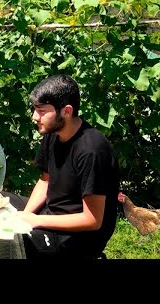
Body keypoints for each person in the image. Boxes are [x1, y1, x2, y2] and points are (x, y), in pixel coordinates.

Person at [8, 74, 119, 258]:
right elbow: (45, 181)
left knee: (11, 243)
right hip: (51, 213)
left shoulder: (92, 151)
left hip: (79, 238)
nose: (35, 117)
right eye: (35, 109)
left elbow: (92, 220)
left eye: (42, 111)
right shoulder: (53, 133)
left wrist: (36, 221)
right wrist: (24, 217)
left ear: (66, 111)